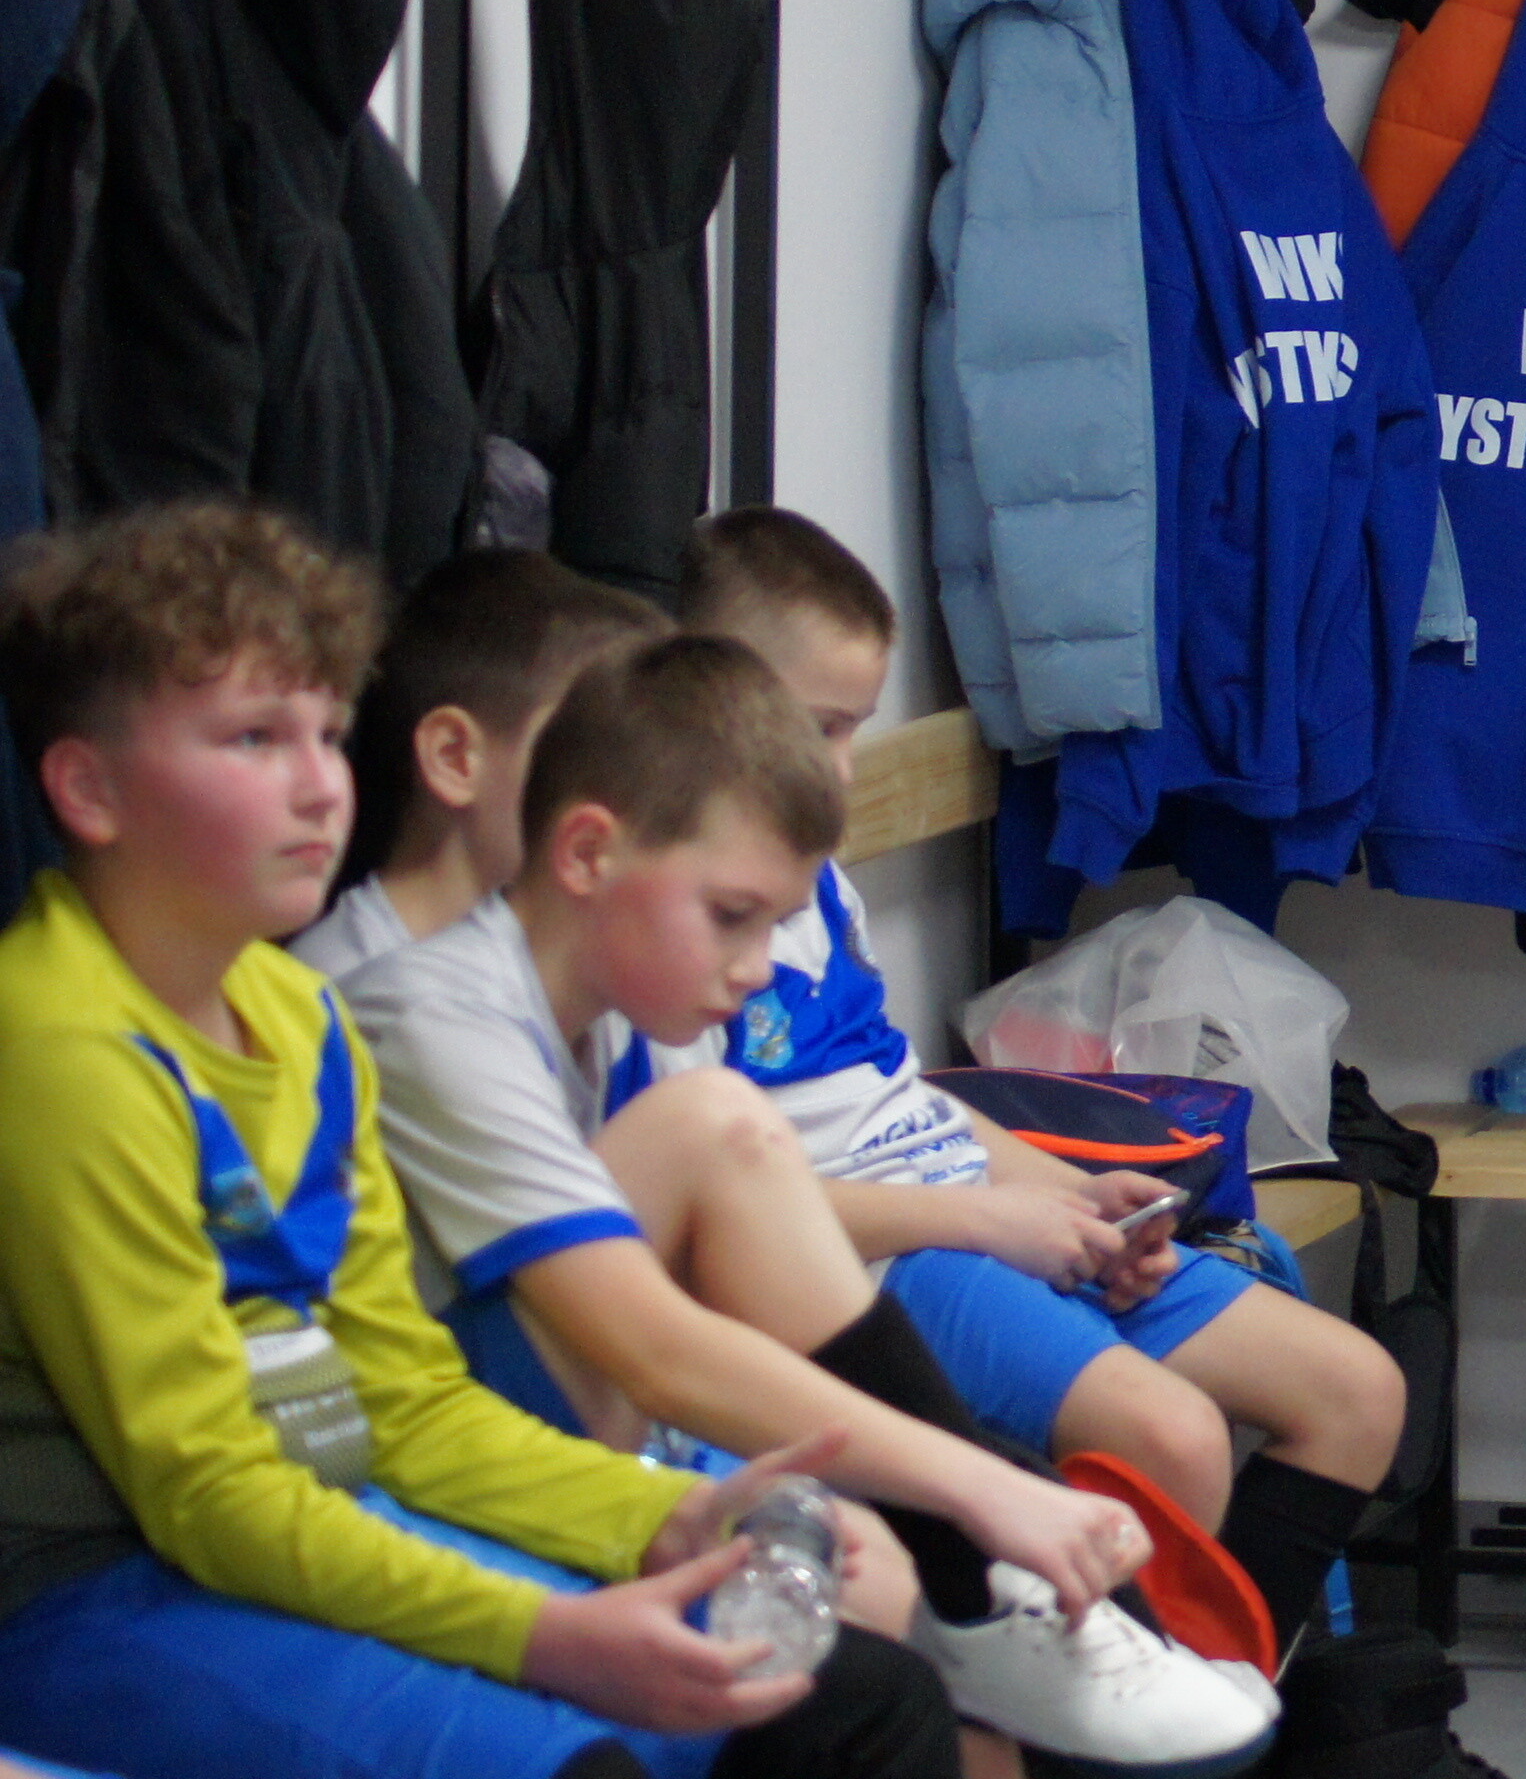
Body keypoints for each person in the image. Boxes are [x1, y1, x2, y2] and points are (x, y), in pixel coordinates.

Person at [0, 498, 962, 1779]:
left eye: (328, 731)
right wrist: (546, 1634)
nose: (319, 783)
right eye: (253, 736)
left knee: (858, 1699)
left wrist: (666, 1512)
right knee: (596, 1760)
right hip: (91, 1592)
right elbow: (208, 1492)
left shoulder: (295, 1012)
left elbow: (401, 1398)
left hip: (318, 1506)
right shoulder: (56, 1041)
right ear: (88, 787)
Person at [333, 631, 1277, 1771]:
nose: (754, 968)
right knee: (718, 1129)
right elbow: (654, 1345)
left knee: (950, 1675)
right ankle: (974, 1571)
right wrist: (978, 1488)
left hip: (622, 1425)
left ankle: (979, 1597)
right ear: (584, 853)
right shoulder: (434, 1013)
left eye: (772, 925)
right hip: (452, 1456)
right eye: (731, 915)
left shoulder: (644, 1009)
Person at [656, 506, 1403, 1669]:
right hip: (881, 1261)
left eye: (855, 729)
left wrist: (1074, 1195)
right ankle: (1135, 1717)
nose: (840, 768)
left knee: (1355, 1390)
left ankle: (1227, 1704)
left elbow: (902, 1099)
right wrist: (995, 1218)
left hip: (979, 1209)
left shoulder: (818, 887)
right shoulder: (669, 930)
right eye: (817, 727)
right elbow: (728, 1214)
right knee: (1175, 1440)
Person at [290, 546, 664, 979]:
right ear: (454, 758)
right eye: (591, 749)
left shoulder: (567, 969)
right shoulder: (334, 981)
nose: (639, 796)